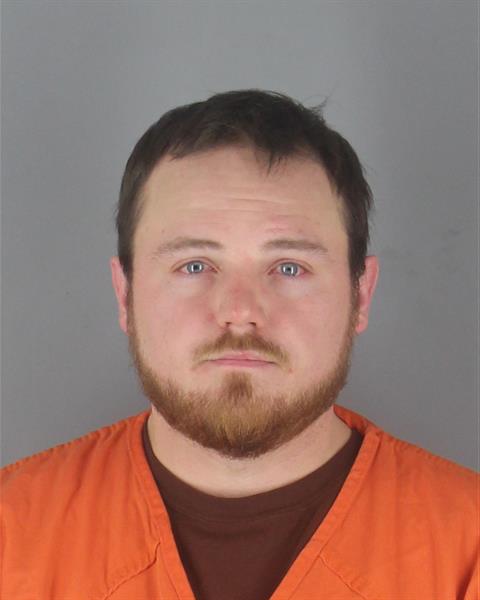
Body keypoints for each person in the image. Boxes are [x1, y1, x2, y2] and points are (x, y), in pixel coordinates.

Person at [1, 90, 478, 600]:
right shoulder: (12, 535)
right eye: (194, 265)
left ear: (361, 295)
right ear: (125, 295)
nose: (240, 310)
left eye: (289, 267)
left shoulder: (467, 548)